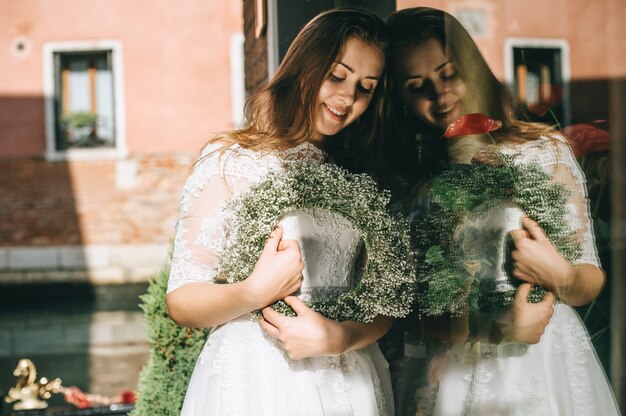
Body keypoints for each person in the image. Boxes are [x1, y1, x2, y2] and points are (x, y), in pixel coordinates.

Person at [384, 6, 620, 415]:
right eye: (415, 85)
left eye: (448, 73)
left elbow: (588, 282)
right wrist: (494, 329)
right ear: (398, 97)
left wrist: (559, 274)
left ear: (471, 67)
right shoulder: (407, 179)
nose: (439, 96)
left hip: (544, 360)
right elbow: (406, 313)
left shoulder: (542, 150)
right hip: (450, 368)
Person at [165, 8, 395, 416]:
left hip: (348, 377)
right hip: (257, 378)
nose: (348, 98)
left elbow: (385, 305)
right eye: (337, 76)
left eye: (366, 87)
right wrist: (253, 291)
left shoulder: (357, 174)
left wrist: (340, 338)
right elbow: (182, 301)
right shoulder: (230, 161)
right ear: (305, 67)